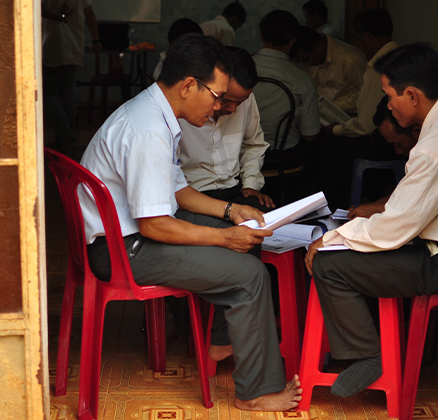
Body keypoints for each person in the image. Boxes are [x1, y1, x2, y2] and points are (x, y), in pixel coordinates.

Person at [79, 34, 302, 411]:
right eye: (216, 96)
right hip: (125, 249)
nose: (218, 107)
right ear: (187, 86)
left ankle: (222, 339)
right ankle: (257, 393)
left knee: (244, 241)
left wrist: (232, 213)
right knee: (250, 276)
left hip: (128, 235)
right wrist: (223, 239)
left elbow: (179, 192)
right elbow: (154, 226)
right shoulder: (149, 130)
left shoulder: (154, 113)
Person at [304, 43, 438, 399]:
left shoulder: (436, 145)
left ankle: (368, 354)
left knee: (329, 264)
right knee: (348, 251)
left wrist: (332, 239)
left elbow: (394, 228)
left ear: (412, 95)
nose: (388, 105)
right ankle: (357, 347)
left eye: (389, 95)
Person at [179, 46, 274, 212]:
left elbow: (253, 144)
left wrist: (251, 184)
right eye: (225, 100)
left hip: (232, 188)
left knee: (267, 219)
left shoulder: (245, 98)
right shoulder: (180, 110)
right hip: (190, 194)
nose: (233, 109)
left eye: (240, 102)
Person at [253, 10, 320, 171]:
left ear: (261, 36)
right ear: (292, 41)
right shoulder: (301, 79)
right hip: (283, 155)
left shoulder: (242, 69)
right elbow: (309, 134)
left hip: (242, 155)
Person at [346, 96, 420, 219]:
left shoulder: (428, 154)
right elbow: (406, 194)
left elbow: (414, 201)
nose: (398, 151)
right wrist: (373, 206)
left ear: (415, 130)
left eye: (398, 144)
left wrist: (372, 208)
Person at [329, 8, 398, 138]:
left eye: (358, 38)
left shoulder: (378, 69)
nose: (359, 45)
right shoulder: (403, 55)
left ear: (367, 37)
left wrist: (335, 129)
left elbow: (365, 126)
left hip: (383, 139)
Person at [42, 0, 102, 149]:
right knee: (67, 93)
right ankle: (66, 136)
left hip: (52, 44)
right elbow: (89, 12)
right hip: (74, 44)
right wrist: (95, 39)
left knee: (48, 94)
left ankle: (64, 135)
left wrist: (60, 16)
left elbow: (37, 9)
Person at [293, 26, 367, 115]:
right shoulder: (309, 59)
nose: (306, 64)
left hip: (351, 115)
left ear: (317, 45)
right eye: (302, 62)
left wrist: (335, 106)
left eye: (308, 59)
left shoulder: (350, 59)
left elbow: (367, 93)